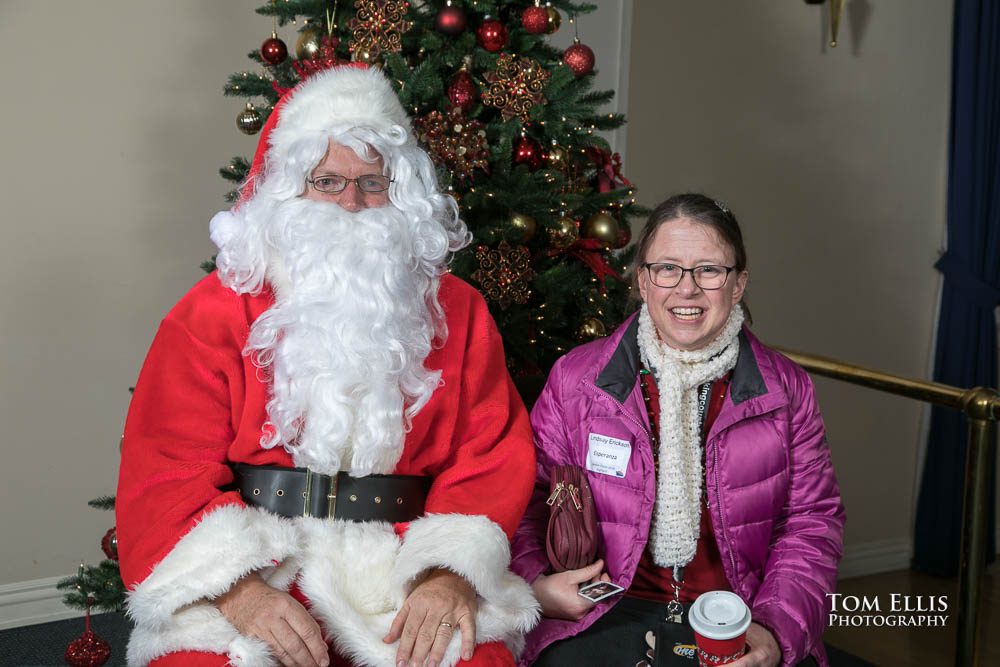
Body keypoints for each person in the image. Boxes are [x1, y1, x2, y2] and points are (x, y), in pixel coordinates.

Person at [116, 65, 539, 667]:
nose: (351, 204)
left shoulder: (458, 313)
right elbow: (166, 466)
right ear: (289, 189)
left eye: (373, 184)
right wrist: (239, 590)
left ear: (402, 193)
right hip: (259, 558)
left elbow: (490, 454)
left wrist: (447, 573)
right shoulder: (212, 311)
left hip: (402, 567)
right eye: (328, 181)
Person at [510, 194, 845, 667]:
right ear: (643, 281)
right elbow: (527, 498)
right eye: (668, 268)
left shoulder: (786, 389)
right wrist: (537, 586)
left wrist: (774, 630)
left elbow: (811, 525)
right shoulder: (576, 380)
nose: (686, 289)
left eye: (709, 270)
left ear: (739, 284)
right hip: (602, 612)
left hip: (738, 615)